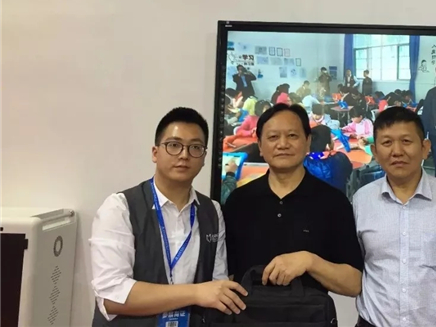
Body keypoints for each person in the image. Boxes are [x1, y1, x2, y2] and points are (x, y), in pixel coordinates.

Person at [90, 107, 248, 327]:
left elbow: (217, 284)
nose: (184, 155)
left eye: (195, 147)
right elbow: (111, 296)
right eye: (174, 145)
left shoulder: (212, 211)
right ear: (155, 153)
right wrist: (195, 293)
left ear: (204, 157)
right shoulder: (120, 207)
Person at [353, 107, 436, 327]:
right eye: (387, 143)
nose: (397, 151)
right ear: (375, 152)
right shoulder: (361, 201)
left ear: (425, 148)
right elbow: (356, 267)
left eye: (406, 141)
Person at [223, 103, 363, 299]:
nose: (283, 144)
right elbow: (225, 275)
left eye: (292, 136)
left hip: (309, 315)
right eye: (273, 137)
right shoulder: (239, 202)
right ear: (260, 146)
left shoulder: (333, 202)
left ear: (307, 142)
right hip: (247, 313)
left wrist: (310, 262)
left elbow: (353, 284)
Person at [303, 124, 354, 194]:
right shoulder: (340, 158)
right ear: (327, 146)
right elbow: (349, 171)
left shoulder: (302, 162)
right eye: (331, 139)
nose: (333, 141)